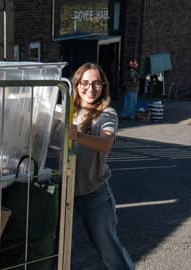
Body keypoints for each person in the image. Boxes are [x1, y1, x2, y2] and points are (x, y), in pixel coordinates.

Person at [68, 63, 135, 270]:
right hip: (64, 194)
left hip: (94, 194)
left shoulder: (107, 114)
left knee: (110, 252)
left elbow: (105, 143)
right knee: (54, 249)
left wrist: (77, 135)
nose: (90, 88)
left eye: (96, 83)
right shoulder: (66, 111)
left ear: (103, 86)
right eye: (85, 83)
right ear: (77, 85)